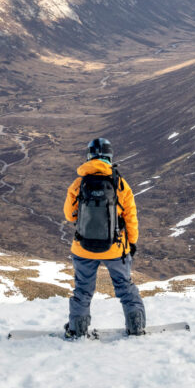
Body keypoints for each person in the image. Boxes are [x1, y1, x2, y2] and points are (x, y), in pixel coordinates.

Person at [63, 137, 146, 338]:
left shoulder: (79, 183)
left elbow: (69, 214)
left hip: (83, 247)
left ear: (89, 156)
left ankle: (77, 328)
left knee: (83, 290)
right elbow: (131, 218)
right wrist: (131, 243)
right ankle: (136, 325)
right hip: (116, 248)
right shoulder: (120, 184)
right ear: (110, 157)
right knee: (125, 288)